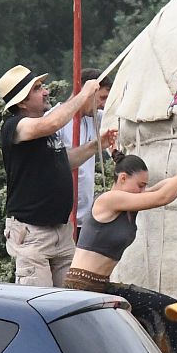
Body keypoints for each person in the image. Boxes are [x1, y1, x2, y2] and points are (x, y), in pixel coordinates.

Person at [62, 129, 177, 353]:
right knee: (158, 309)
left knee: (164, 307)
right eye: (139, 185)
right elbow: (164, 197)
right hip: (82, 287)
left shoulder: (130, 202)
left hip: (102, 286)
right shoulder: (109, 200)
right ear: (122, 179)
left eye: (144, 186)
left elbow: (169, 184)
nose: (142, 191)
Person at [0, 65, 116, 287]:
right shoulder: (15, 126)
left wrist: (96, 145)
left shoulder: (42, 133)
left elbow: (64, 162)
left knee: (69, 302)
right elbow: (52, 123)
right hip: (33, 234)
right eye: (37, 88)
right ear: (22, 102)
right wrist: (84, 95)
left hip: (61, 231)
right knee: (39, 304)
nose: (46, 92)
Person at [56, 69, 111, 232]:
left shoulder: (94, 118)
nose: (103, 104)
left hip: (85, 218)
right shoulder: (55, 120)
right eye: (102, 98)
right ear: (85, 92)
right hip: (62, 219)